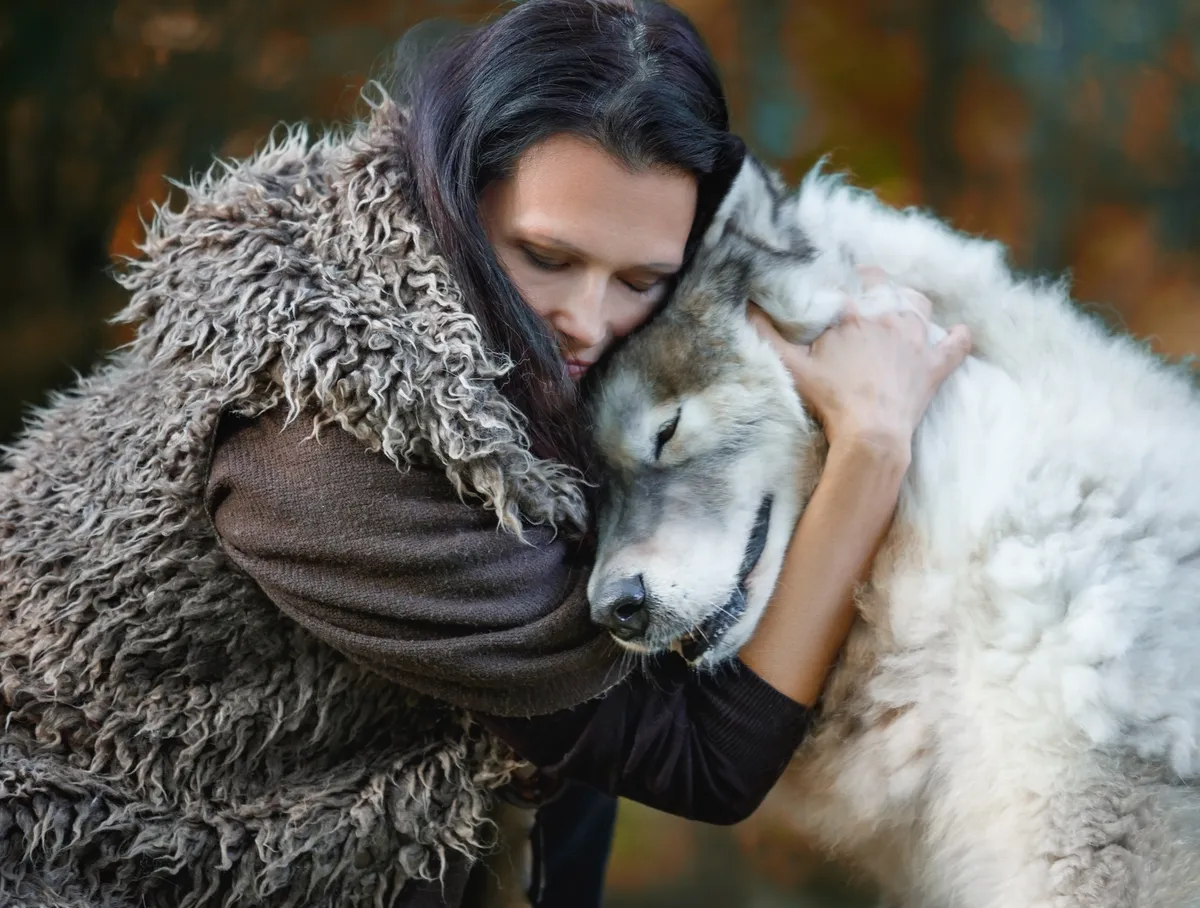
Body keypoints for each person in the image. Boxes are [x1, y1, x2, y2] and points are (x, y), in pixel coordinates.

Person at [0, 1, 971, 906]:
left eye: (641, 278)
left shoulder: (502, 325)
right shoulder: (324, 455)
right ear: (455, 189)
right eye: (546, 258)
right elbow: (704, 763)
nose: (588, 322)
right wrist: (872, 442)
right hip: (106, 860)